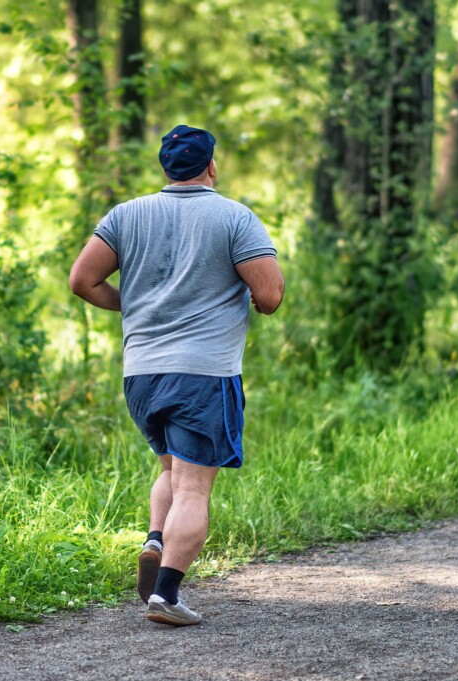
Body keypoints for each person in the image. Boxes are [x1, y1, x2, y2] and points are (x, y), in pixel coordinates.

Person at [69, 125, 284, 626]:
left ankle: (156, 538)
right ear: (211, 165)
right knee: (193, 487)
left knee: (170, 469)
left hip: (142, 373)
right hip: (203, 374)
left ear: (166, 167)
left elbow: (83, 280)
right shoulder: (235, 217)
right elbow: (270, 296)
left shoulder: (126, 215)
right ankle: (166, 596)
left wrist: (137, 307)